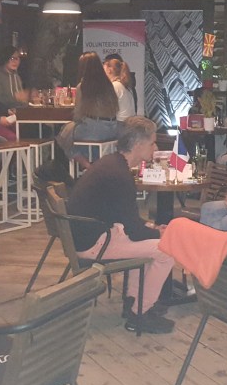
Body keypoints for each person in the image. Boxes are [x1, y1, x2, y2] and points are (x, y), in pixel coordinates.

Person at [65, 116, 176, 334]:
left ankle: (134, 302)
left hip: (89, 236)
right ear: (138, 145)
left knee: (146, 242)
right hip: (93, 244)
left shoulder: (112, 164)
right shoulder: (119, 175)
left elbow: (127, 219)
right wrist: (160, 234)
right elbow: (134, 231)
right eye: (152, 143)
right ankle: (140, 313)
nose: (155, 148)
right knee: (167, 251)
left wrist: (152, 228)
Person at [58, 52, 121, 170]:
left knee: (64, 134)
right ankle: (96, 163)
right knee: (78, 135)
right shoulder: (108, 84)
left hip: (95, 129)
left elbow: (77, 114)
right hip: (112, 128)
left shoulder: (83, 86)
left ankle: (88, 166)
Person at [0, 45, 29, 112]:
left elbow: (22, 100)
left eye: (17, 58)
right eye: (12, 58)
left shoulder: (16, 76)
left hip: (18, 112)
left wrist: (29, 97)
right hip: (2, 113)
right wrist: (16, 97)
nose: (15, 62)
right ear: (5, 59)